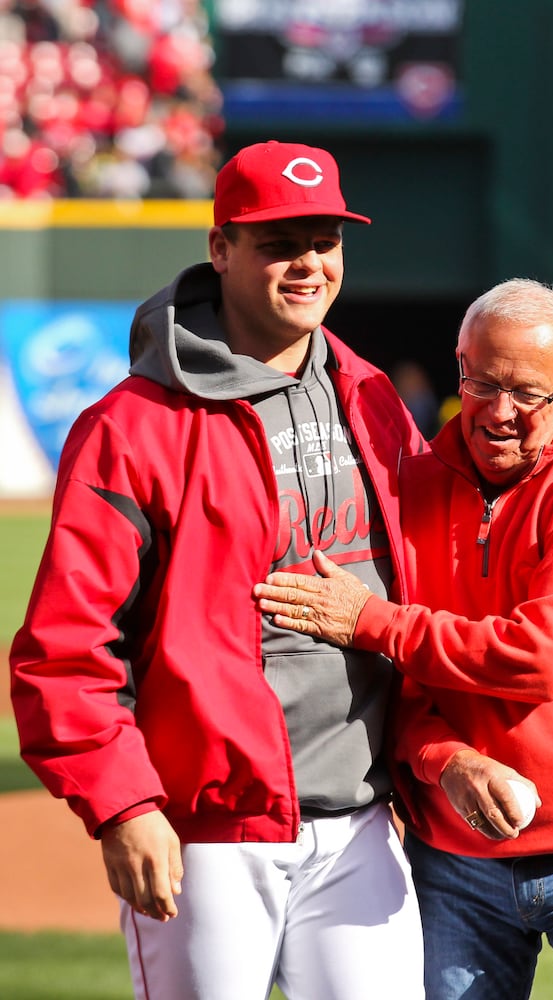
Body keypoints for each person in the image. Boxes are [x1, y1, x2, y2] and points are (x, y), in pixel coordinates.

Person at [9, 140, 426, 1000]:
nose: (308, 263)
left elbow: (444, 568)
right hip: (209, 832)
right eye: (279, 242)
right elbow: (65, 643)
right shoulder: (132, 426)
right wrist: (123, 807)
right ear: (221, 249)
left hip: (364, 823)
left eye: (326, 240)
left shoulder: (371, 394)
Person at [255, 278, 553, 1000]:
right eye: (481, 381)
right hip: (454, 859)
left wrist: (372, 619)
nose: (497, 410)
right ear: (458, 364)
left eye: (527, 392)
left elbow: (537, 656)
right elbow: (385, 683)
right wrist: (442, 760)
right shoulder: (408, 488)